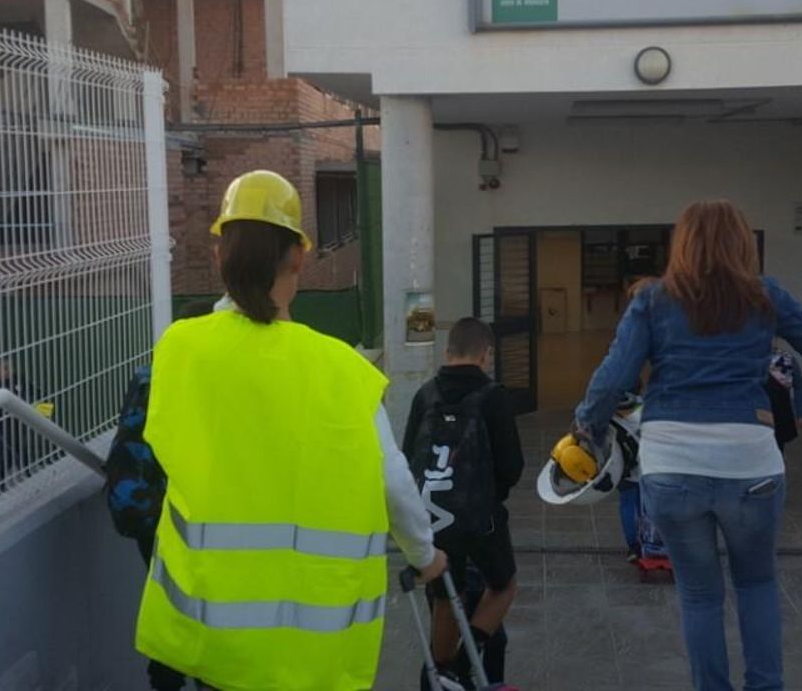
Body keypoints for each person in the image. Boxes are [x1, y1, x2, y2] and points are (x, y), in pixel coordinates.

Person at [133, 170, 446, 691]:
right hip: (314, 655)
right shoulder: (342, 369)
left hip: (208, 643)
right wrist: (425, 556)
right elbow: (393, 484)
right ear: (299, 256)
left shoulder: (180, 349)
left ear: (219, 255)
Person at [568, 200, 802, 691]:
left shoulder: (653, 300)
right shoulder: (765, 296)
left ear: (683, 243)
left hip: (671, 464)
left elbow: (613, 379)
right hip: (751, 462)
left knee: (699, 595)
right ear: (742, 244)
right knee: (756, 584)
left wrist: (589, 425)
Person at [402, 317, 524, 686]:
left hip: (432, 517)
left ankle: (440, 672)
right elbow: (512, 467)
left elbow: (408, 456)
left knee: (443, 595)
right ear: (486, 355)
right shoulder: (494, 397)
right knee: (503, 585)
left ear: (447, 351)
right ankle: (463, 657)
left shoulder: (424, 394)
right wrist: (490, 495)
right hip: (479, 518)